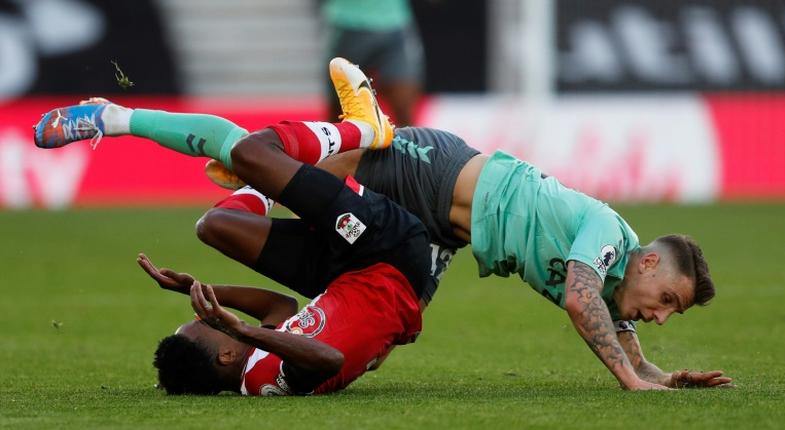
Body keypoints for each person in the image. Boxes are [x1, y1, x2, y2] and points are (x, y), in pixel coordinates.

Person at [34, 58, 732, 391]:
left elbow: (613, 314)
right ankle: (116, 117)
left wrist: (658, 374)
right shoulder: (608, 233)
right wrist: (633, 382)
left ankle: (323, 143)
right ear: (646, 262)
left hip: (430, 240)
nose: (660, 315)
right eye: (668, 298)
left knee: (222, 213)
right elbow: (586, 301)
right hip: (433, 177)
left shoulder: (615, 269)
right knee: (250, 152)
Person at [322, 0, 424, 125]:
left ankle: (406, 143)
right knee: (341, 108)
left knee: (403, 102)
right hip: (349, 23)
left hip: (396, 23)